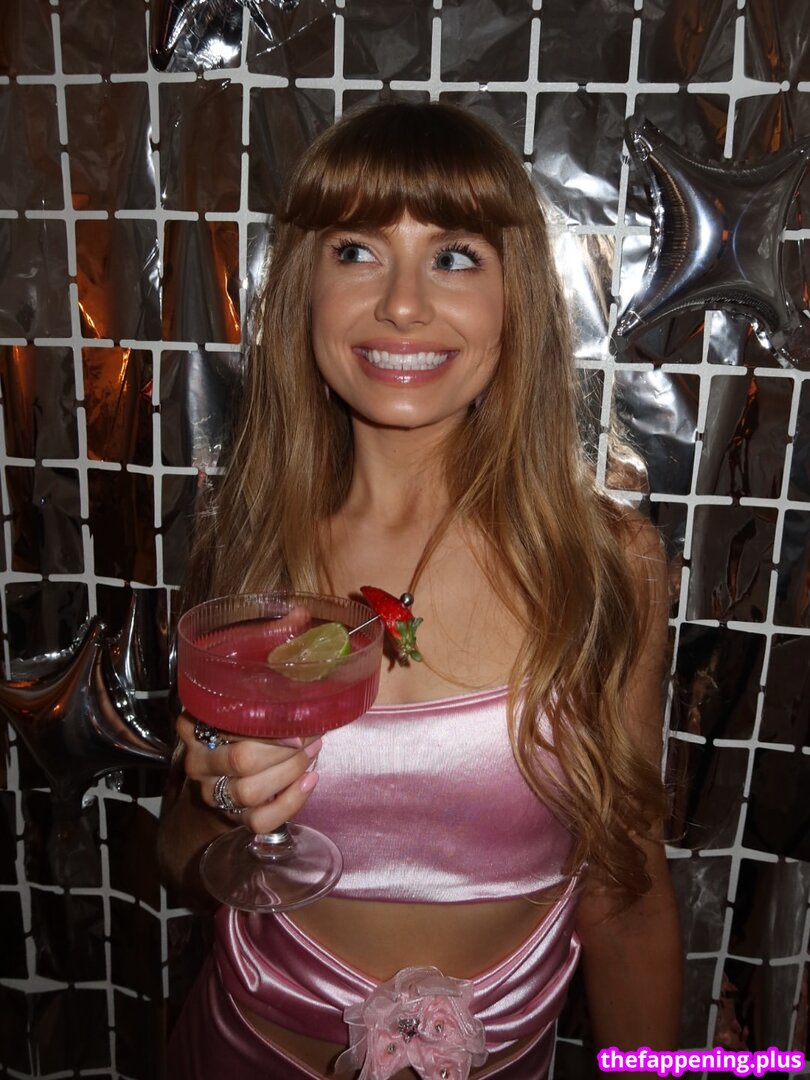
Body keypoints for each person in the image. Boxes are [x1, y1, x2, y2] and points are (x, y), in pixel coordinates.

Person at [158, 100, 682, 1080]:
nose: (403, 305)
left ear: (515, 297)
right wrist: (222, 800)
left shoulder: (609, 568)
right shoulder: (248, 548)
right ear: (305, 287)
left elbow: (630, 899)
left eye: (454, 257)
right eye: (357, 250)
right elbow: (184, 858)